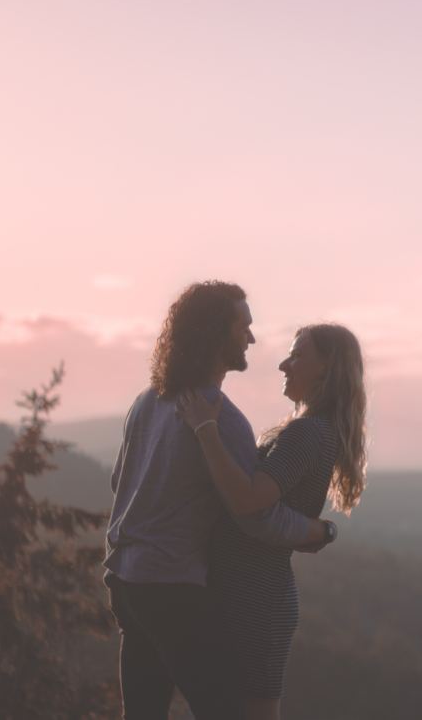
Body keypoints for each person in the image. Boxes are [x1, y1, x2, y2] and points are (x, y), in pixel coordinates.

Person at [103, 281, 337, 720]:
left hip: (125, 580)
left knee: (143, 711)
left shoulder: (146, 402)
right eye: (243, 326)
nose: (251, 337)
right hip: (173, 587)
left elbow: (121, 482)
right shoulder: (223, 421)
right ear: (216, 332)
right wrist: (318, 530)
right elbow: (254, 515)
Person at [178, 323, 367, 720]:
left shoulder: (309, 433)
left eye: (297, 355)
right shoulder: (309, 431)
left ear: (325, 368)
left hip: (258, 601)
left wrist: (206, 429)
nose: (284, 364)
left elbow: (249, 500)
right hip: (245, 595)